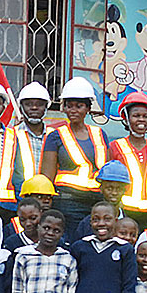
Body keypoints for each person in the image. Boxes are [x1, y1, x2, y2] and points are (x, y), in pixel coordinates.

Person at [41, 77, 109, 242]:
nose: (73, 110)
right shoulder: (55, 136)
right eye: (69, 106)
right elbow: (47, 176)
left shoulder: (100, 134)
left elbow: (106, 168)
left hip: (95, 203)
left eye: (79, 106)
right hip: (67, 203)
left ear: (87, 108)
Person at [70, 201, 135, 293]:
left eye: (107, 219)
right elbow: (71, 283)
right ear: (90, 221)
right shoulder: (80, 247)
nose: (101, 223)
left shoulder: (125, 249)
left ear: (116, 221)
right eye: (96, 219)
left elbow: (129, 287)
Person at [108, 91, 147, 233]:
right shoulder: (116, 146)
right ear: (126, 118)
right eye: (136, 116)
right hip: (125, 213)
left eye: (145, 116)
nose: (141, 120)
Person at [0, 82, 39, 217]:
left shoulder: (13, 137)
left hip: (8, 206)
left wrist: (21, 205)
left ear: (4, 107)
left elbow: (18, 175)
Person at [74, 161, 130, 239]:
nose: (114, 193)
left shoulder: (128, 224)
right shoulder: (87, 224)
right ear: (101, 188)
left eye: (119, 189)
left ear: (125, 190)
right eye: (109, 188)